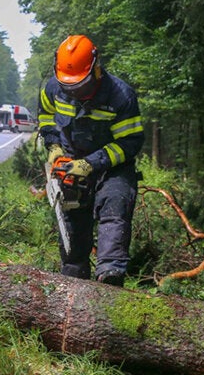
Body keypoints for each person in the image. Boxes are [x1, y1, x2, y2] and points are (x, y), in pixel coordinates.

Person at [38, 34, 144, 286]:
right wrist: (54, 147)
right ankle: (74, 281)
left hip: (113, 167)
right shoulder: (53, 89)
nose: (74, 91)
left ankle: (110, 277)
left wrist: (90, 164)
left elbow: (129, 143)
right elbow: (46, 118)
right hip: (71, 160)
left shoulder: (120, 96)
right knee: (73, 229)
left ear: (95, 70)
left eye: (80, 85)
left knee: (114, 209)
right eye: (69, 86)